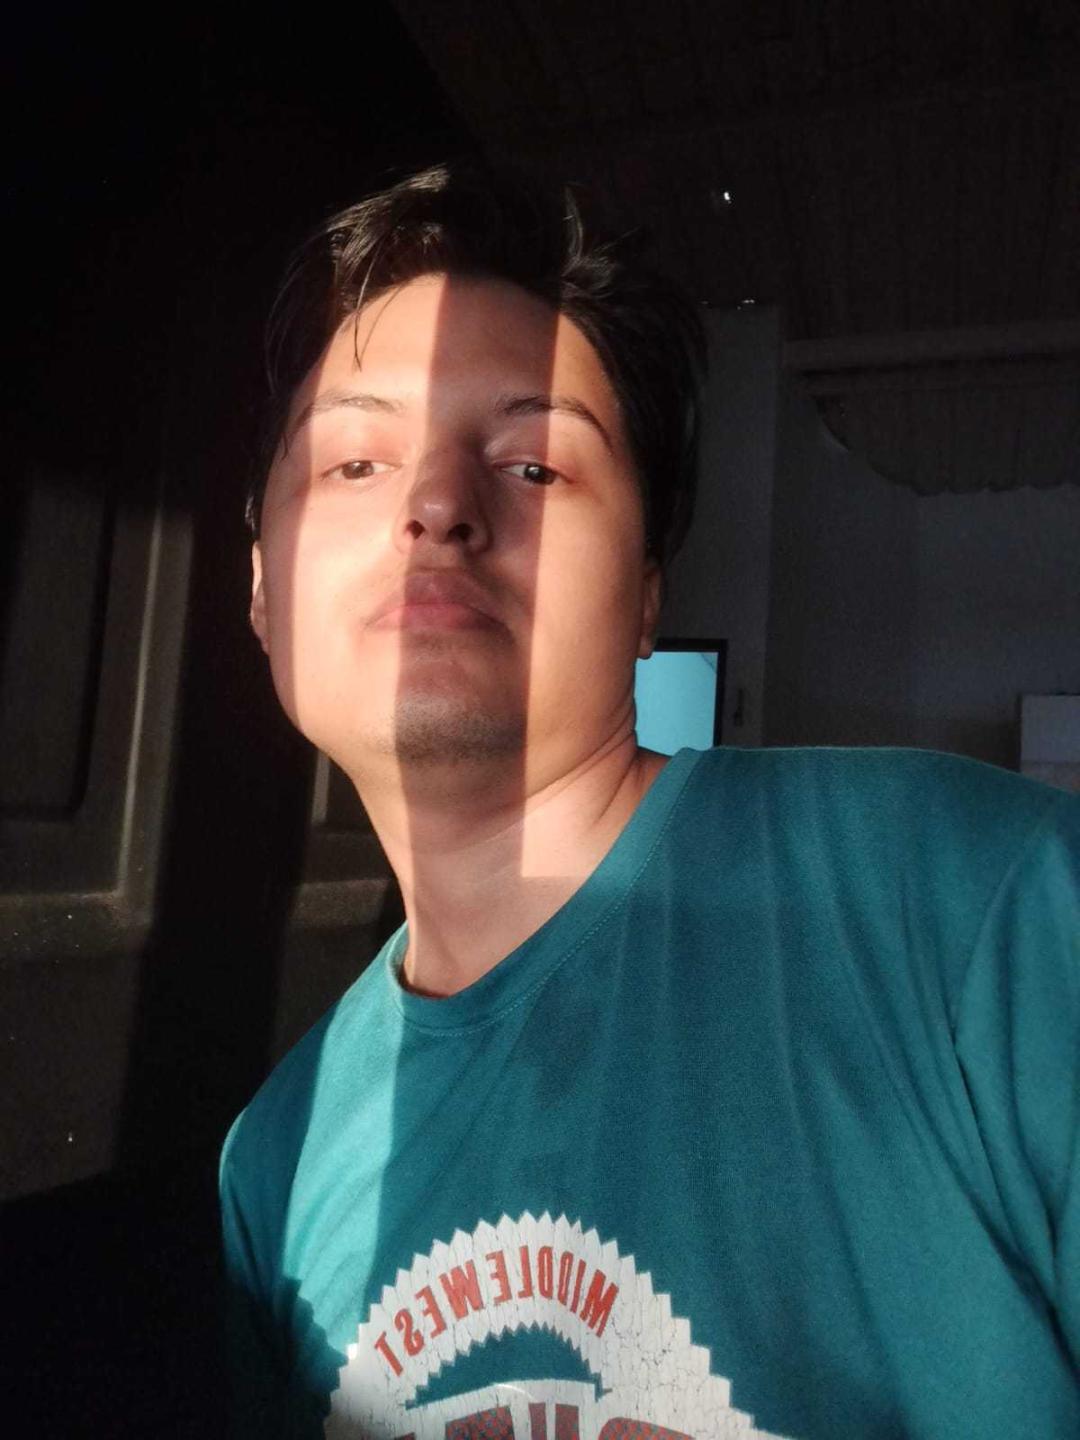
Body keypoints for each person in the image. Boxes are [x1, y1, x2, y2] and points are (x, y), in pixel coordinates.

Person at [219, 158, 1079, 1440]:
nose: (438, 506)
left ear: (646, 602)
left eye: (534, 466)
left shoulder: (983, 905)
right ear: (261, 590)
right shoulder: (273, 1163)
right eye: (354, 462)